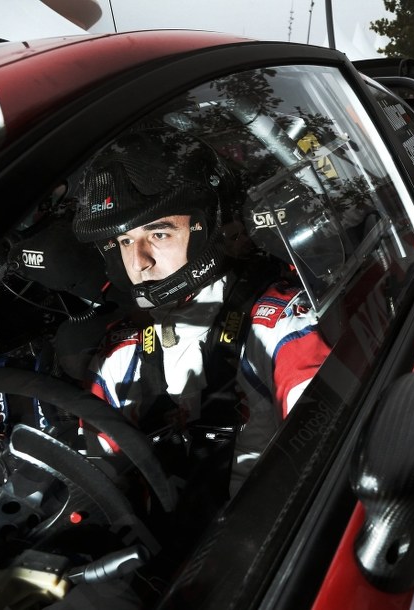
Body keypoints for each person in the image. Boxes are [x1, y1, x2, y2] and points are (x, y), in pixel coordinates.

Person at [71, 129, 330, 497]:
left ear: (207, 227)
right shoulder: (117, 358)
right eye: (126, 241)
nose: (139, 262)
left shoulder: (279, 328)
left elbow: (328, 467)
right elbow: (91, 485)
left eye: (158, 235)